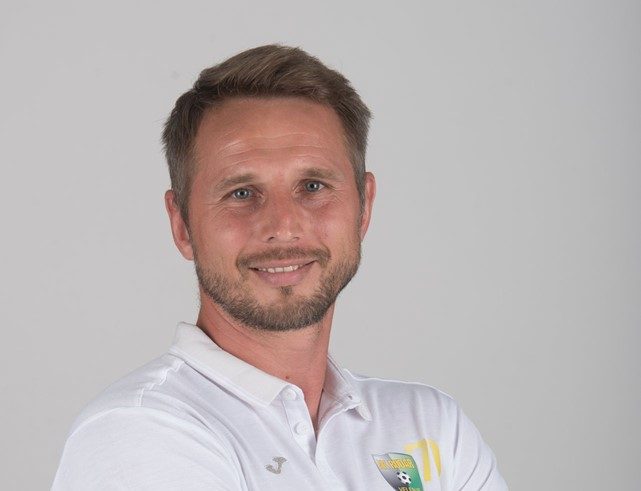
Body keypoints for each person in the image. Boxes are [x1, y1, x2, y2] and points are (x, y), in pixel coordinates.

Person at [52, 44, 508, 491]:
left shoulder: (430, 426)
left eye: (313, 186)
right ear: (182, 225)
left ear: (364, 207)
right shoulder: (139, 432)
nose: (283, 227)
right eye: (241, 193)